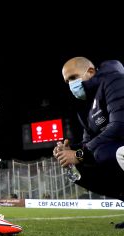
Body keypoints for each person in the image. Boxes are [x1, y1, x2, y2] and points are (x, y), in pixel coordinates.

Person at [53, 57, 124, 217]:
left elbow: (120, 125)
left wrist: (80, 154)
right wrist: (70, 151)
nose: (71, 85)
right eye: (67, 82)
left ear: (90, 72)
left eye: (73, 77)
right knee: (78, 170)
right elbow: (88, 142)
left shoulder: (114, 80)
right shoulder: (85, 108)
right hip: (115, 149)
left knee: (103, 153)